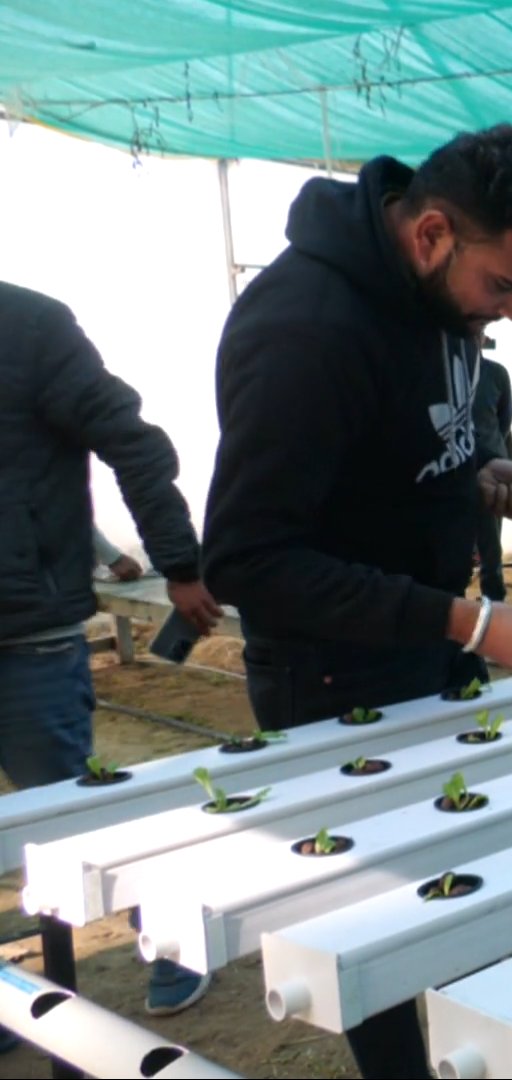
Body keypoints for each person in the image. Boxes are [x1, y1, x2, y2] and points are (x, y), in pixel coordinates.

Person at [200, 123, 512, 1078]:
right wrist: (465, 619)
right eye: (502, 287)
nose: (504, 315)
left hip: (419, 643)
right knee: (375, 929)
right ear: (429, 236)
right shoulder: (303, 328)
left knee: (457, 882)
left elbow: (390, 457)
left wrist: (473, 471)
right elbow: (247, 558)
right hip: (326, 673)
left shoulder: (435, 308)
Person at [0, 281, 224, 1020]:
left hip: (27, 633)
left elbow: (130, 440)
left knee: (72, 814)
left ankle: (167, 938)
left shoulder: (29, 326)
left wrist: (178, 564)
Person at [471, 337, 512, 603]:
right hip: (451, 477)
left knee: (491, 550)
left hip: (491, 474)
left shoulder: (496, 374)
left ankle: (495, 604)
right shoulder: (435, 374)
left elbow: (503, 423)